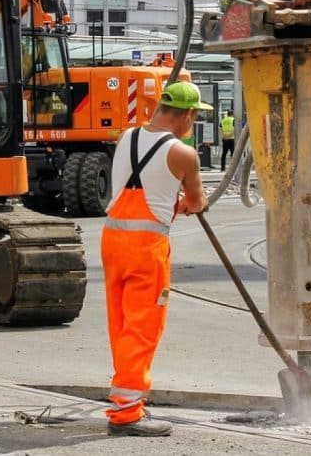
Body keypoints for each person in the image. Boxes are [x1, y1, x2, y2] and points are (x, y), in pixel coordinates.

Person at [102, 81, 208, 437]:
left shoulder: (125, 137)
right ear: (188, 115)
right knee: (142, 327)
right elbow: (196, 203)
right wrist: (184, 201)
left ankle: (124, 397)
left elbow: (142, 183)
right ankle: (127, 412)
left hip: (112, 240)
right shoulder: (183, 154)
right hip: (146, 248)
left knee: (120, 322)